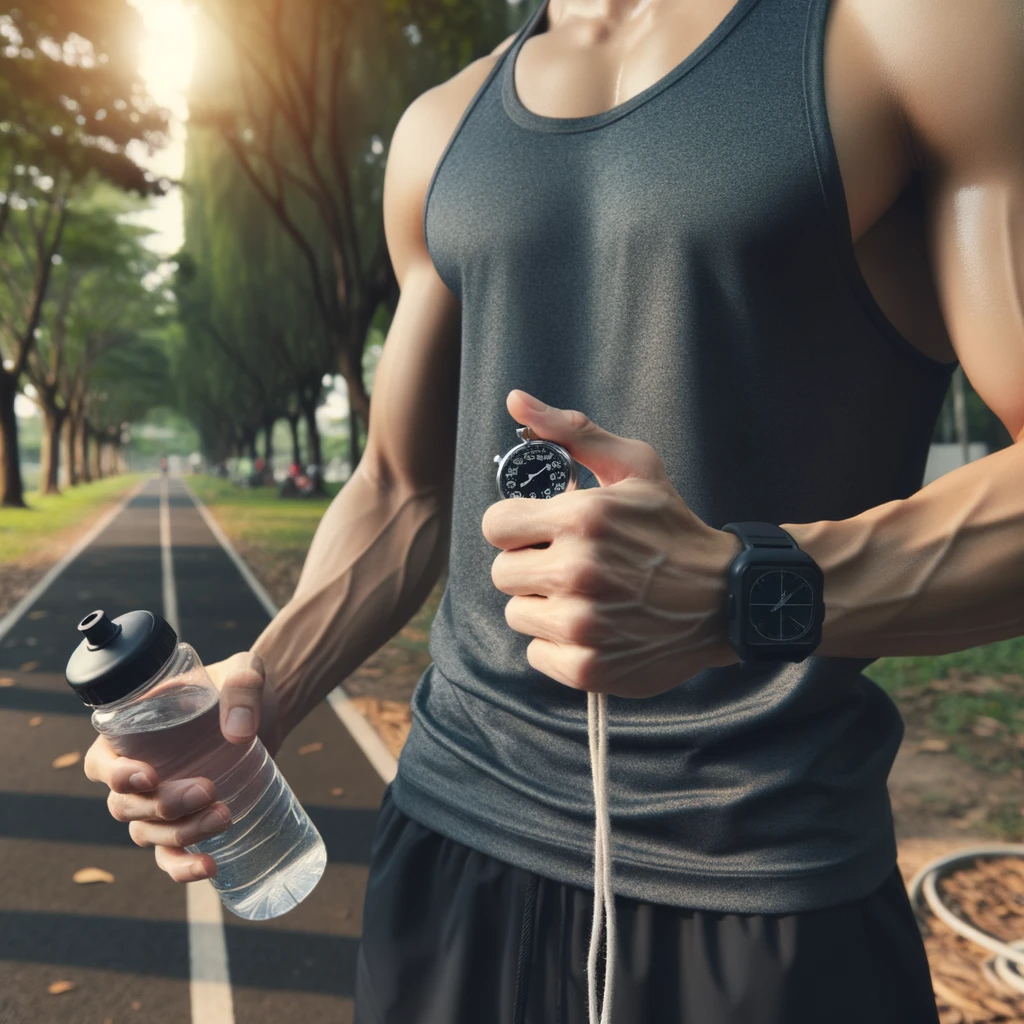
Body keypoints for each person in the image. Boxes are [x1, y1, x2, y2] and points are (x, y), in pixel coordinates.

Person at [84, 0, 1024, 1021]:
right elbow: (403, 489)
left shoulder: (917, 34)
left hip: (757, 881)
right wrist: (262, 685)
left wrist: (739, 586)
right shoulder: (441, 128)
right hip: (449, 851)